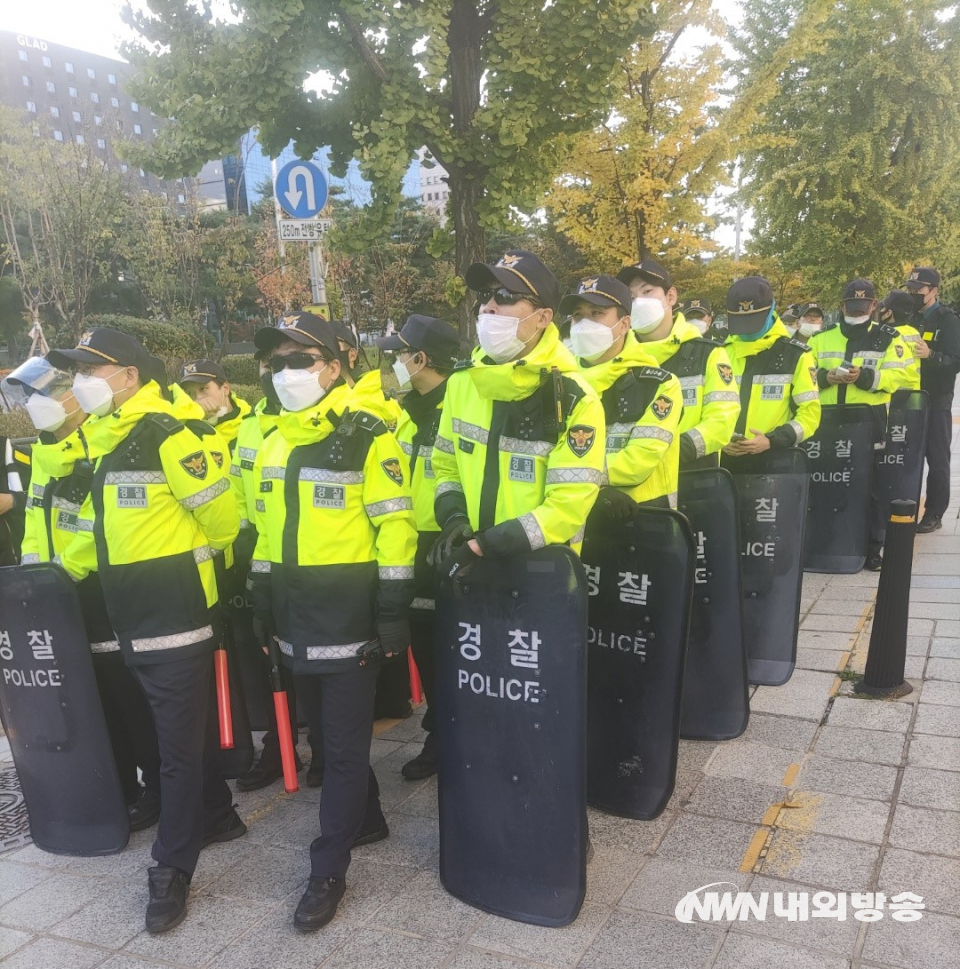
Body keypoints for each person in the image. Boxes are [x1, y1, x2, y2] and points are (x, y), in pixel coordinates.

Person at [49, 327, 244, 934]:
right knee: (172, 742)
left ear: (130, 376)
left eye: (91, 369)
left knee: (176, 751)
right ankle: (216, 815)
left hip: (173, 617)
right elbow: (90, 532)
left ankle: (172, 865)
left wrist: (186, 580)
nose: (80, 383)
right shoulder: (104, 441)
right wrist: (52, 578)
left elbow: (222, 519)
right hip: (124, 615)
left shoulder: (171, 435)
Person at [250, 313, 414, 931]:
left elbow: (396, 529)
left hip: (349, 612)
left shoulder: (369, 436)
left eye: (301, 359)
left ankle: (327, 869)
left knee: (342, 751)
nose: (287, 372)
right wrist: (261, 593)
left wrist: (393, 610)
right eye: (279, 362)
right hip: (293, 610)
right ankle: (367, 819)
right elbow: (267, 528)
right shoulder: (274, 439)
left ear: (334, 365)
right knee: (323, 736)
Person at [2, 355, 162, 831]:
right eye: (29, 397)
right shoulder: (48, 454)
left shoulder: (100, 448)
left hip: (94, 590)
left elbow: (100, 525)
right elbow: (34, 521)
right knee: (90, 704)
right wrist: (35, 570)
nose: (36, 405)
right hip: (56, 598)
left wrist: (63, 571)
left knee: (126, 699)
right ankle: (118, 788)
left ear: (75, 395)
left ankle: (155, 787)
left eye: (45, 393)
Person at [430, 249, 605, 575]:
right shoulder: (461, 382)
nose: (489, 306)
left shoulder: (575, 398)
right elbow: (444, 466)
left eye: (507, 296)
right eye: (486, 295)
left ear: (543, 318)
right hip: (469, 566)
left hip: (542, 572)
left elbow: (568, 505)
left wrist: (489, 545)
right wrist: (453, 518)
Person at [377, 314, 462, 780]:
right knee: (427, 646)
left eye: (400, 353)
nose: (395, 362)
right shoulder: (410, 412)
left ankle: (457, 728)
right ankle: (441, 730)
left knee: (455, 647)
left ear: (421, 359)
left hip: (449, 541)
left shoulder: (460, 406)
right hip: (413, 543)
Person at [226, 345, 312, 790]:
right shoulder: (249, 429)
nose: (279, 373)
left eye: (292, 362)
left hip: (315, 565)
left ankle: (320, 745)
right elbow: (240, 494)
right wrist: (245, 540)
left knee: (312, 668)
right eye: (270, 364)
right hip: (262, 561)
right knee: (268, 661)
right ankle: (278, 749)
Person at [808, 279, 914, 569]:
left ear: (874, 305)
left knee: (872, 487)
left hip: (869, 422)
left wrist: (866, 378)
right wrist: (825, 377)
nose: (857, 311)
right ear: (842, 306)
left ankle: (873, 547)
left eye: (863, 306)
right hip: (828, 422)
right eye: (851, 307)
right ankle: (824, 544)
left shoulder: (889, 338)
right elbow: (803, 376)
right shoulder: (820, 339)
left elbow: (901, 378)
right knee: (825, 484)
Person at [563, 274, 682, 512]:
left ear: (625, 324)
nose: (585, 324)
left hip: (642, 517)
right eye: (578, 315)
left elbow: (636, 462)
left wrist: (567, 473)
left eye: (596, 313)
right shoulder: (561, 380)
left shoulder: (658, 385)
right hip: (571, 516)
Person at [617, 259, 740, 469]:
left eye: (647, 292)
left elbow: (722, 420)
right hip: (628, 483)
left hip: (694, 480)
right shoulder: (618, 357)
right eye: (631, 297)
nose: (639, 302)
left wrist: (673, 451)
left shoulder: (708, 354)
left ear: (671, 296)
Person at [722, 275, 821, 457]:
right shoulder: (721, 353)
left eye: (753, 322)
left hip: (776, 463)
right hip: (724, 463)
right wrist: (720, 439)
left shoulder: (796, 355)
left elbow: (809, 415)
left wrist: (772, 440)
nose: (748, 330)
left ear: (772, 310)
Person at [903, 267, 960, 532]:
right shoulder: (907, 318)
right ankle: (904, 506)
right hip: (907, 399)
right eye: (911, 289)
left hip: (936, 398)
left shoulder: (948, 320)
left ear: (934, 291)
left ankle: (934, 513)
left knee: (937, 458)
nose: (914, 294)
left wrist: (932, 355)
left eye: (919, 290)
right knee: (907, 456)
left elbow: (955, 361)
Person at [178, 359, 252, 454]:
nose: (197, 399)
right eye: (190, 393)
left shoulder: (251, 424)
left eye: (203, 388)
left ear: (225, 389)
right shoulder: (185, 427)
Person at [878, 291, 923, 390]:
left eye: (883, 308)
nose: (881, 311)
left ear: (888, 313)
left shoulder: (887, 334)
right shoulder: (914, 332)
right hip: (913, 394)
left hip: (892, 392)